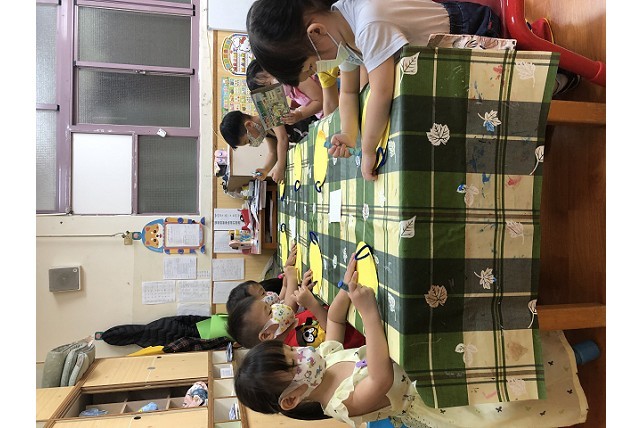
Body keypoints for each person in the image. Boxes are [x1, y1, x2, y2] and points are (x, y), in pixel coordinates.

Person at [233, 254, 588, 427]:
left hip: (421, 359)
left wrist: (345, 287)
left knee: (490, 355)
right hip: (434, 397)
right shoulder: (341, 404)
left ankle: (560, 350)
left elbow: (336, 320)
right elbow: (380, 376)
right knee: (504, 401)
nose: (302, 353)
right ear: (292, 399)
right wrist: (369, 314)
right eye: (293, 362)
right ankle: (580, 360)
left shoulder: (325, 360)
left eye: (292, 348)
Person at [246, 0, 507, 182]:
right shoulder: (341, 31)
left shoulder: (368, 24)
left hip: (475, 30)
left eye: (312, 65)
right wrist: (349, 133)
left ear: (316, 32)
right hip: (441, 55)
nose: (319, 70)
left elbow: (381, 93)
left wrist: (368, 150)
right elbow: (348, 93)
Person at [226, 255, 366, 350]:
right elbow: (334, 333)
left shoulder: (289, 322)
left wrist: (304, 293)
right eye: (269, 311)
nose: (276, 306)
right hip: (360, 328)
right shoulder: (297, 343)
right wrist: (312, 304)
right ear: (267, 335)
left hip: (350, 308)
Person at [219, 110, 310, 183]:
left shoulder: (269, 115)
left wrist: (280, 168)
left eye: (249, 141)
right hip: (308, 138)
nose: (252, 143)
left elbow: (282, 139)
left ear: (249, 125)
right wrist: (265, 170)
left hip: (313, 124)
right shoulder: (266, 131)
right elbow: (273, 152)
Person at [247, 59, 325, 125]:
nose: (275, 94)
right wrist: (296, 113)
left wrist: (300, 115)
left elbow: (321, 101)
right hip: (324, 115)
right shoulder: (291, 91)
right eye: (270, 94)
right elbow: (309, 103)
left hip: (330, 107)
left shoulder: (300, 79)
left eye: (271, 84)